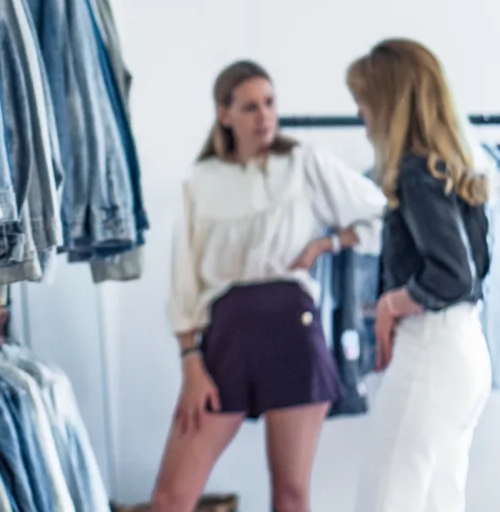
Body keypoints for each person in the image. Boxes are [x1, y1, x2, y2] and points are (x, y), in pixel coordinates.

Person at [152, 60, 387, 512]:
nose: (264, 116)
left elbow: (381, 213)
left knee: (292, 494)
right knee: (170, 497)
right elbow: (183, 277)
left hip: (293, 329)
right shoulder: (201, 180)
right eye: (250, 106)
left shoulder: (303, 162)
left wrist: (328, 242)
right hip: (226, 337)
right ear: (225, 114)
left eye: (270, 103)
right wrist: (190, 363)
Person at [347, 39, 492, 512]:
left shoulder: (416, 173)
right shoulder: (453, 169)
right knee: (437, 499)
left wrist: (390, 304)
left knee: (386, 499)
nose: (360, 115)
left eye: (364, 102)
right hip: (465, 351)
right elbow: (475, 269)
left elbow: (453, 277)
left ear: (388, 104)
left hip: (431, 354)